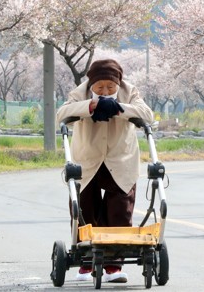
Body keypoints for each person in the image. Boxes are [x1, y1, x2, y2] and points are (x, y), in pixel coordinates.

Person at [56, 59, 154, 283]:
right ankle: (86, 262)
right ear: (91, 84)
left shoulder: (129, 91)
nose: (105, 91)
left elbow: (147, 114)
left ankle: (112, 266)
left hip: (120, 159)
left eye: (110, 87)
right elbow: (62, 114)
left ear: (118, 83)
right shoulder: (80, 92)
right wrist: (89, 106)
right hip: (87, 159)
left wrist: (120, 108)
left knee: (119, 211)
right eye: (99, 88)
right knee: (84, 210)